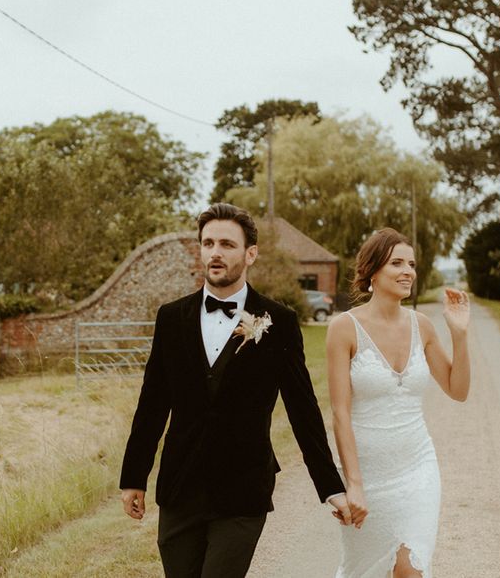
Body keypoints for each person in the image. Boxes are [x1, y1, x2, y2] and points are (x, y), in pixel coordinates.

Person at [120, 202, 350, 577]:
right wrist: (133, 476)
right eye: (208, 243)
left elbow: (303, 411)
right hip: (180, 487)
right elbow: (152, 404)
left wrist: (330, 486)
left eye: (227, 244)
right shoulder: (171, 317)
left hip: (243, 488)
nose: (215, 252)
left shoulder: (279, 322)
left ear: (250, 253)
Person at [327, 228, 470, 578]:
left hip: (417, 469)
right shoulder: (343, 328)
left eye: (412, 264)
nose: (408, 271)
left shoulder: (422, 326)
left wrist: (459, 334)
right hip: (368, 475)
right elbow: (340, 413)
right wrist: (354, 483)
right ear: (373, 271)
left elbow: (458, 389)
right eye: (397, 263)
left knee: (409, 568)